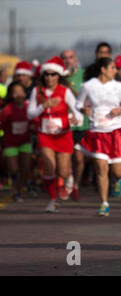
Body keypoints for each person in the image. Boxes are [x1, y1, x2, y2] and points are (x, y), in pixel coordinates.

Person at [75, 57, 121, 216]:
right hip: (97, 131)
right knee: (101, 168)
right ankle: (104, 203)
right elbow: (78, 104)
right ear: (103, 69)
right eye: (112, 68)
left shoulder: (117, 86)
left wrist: (120, 110)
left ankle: (118, 181)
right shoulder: (88, 86)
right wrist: (84, 110)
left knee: (117, 171)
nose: (115, 71)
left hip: (116, 130)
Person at [27, 56, 83, 213]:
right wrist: (43, 106)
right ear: (43, 76)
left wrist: (75, 119)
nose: (49, 77)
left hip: (62, 135)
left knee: (62, 171)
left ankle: (68, 177)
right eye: (47, 74)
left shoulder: (65, 92)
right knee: (49, 167)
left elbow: (77, 113)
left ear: (59, 76)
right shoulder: (37, 91)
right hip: (45, 135)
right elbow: (30, 114)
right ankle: (53, 200)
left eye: (53, 74)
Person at [0, 82, 33, 202]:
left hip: (25, 142)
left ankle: (17, 190)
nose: (19, 94)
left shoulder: (29, 107)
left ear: (25, 93)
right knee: (13, 169)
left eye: (21, 92)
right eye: (15, 92)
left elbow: (35, 121)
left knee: (26, 168)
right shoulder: (7, 109)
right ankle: (12, 179)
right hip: (11, 143)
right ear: (11, 95)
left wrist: (33, 127)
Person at [61, 49, 87, 200]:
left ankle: (75, 184)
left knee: (78, 158)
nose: (68, 60)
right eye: (64, 58)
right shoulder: (57, 76)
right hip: (65, 124)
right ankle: (67, 182)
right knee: (66, 158)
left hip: (81, 123)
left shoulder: (83, 74)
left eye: (70, 57)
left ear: (75, 58)